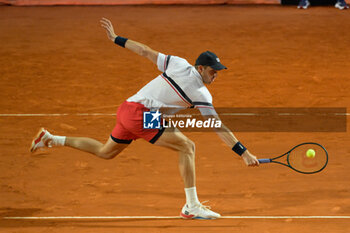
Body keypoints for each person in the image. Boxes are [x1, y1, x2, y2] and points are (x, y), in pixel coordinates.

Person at [30, 18, 259, 220]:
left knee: (105, 152)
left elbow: (146, 51)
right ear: (200, 68)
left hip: (127, 109)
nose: (216, 75)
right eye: (212, 71)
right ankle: (191, 206)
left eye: (218, 71)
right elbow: (216, 125)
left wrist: (116, 39)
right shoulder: (201, 94)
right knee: (187, 147)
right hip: (141, 115)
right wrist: (244, 153)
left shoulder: (178, 63)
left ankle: (51, 139)